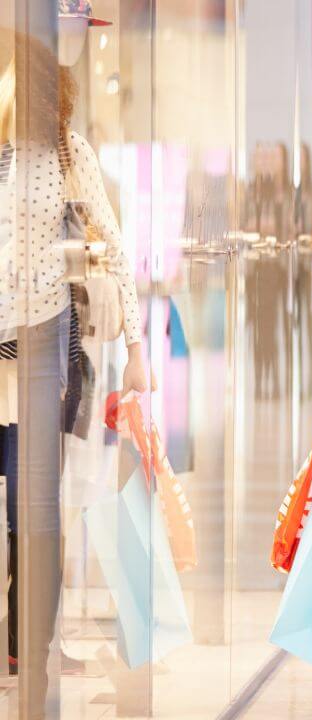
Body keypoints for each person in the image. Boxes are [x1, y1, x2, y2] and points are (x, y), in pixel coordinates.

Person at [0, 26, 146, 719]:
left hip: (36, 335)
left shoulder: (63, 153)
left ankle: (28, 643)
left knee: (34, 501)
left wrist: (140, 349)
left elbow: (113, 249)